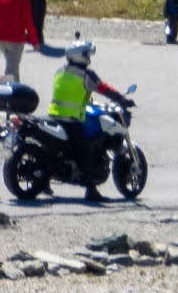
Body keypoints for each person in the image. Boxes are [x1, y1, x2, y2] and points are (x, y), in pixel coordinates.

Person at [49, 37, 130, 199]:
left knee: (53, 151)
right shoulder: (86, 75)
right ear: (81, 56)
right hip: (71, 120)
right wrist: (123, 99)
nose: (89, 58)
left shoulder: (60, 71)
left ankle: (44, 183)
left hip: (54, 116)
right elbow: (105, 89)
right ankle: (91, 190)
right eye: (87, 55)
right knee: (84, 152)